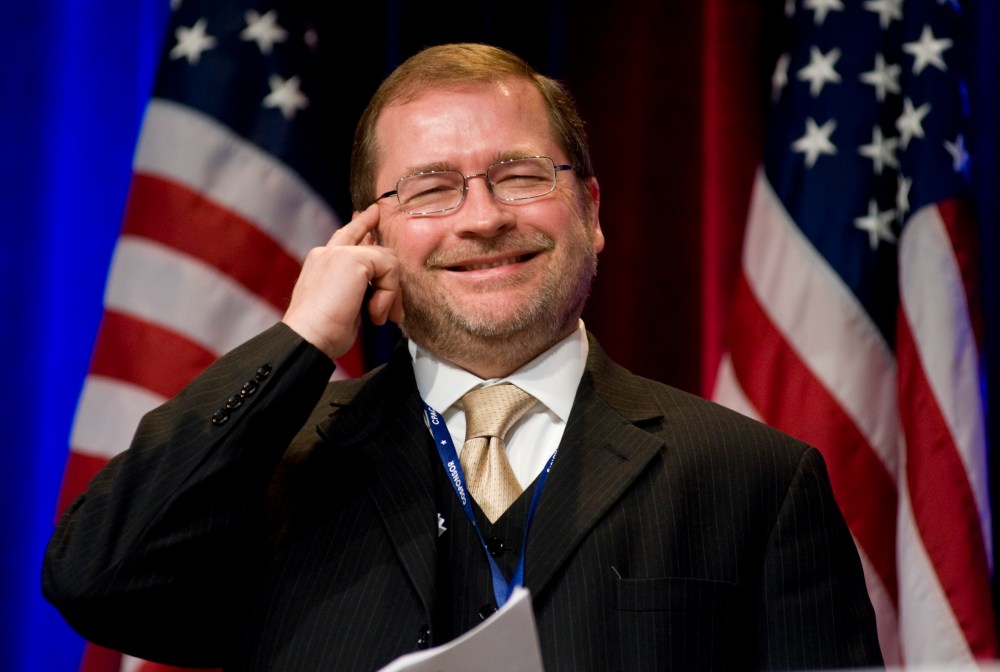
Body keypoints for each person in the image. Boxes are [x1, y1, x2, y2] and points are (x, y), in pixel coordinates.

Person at [43, 43, 883, 671]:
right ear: (368, 236)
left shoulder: (756, 482)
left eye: (519, 175)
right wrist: (300, 341)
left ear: (589, 211)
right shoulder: (276, 467)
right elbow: (96, 577)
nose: (481, 217)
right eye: (433, 188)